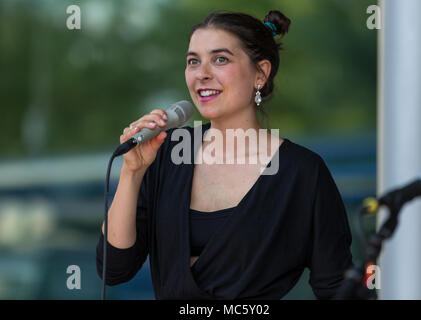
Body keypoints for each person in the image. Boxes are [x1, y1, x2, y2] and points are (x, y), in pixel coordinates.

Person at [96, 10, 353, 300]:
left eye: (220, 59)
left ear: (261, 73)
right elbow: (114, 269)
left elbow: (337, 289)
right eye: (193, 61)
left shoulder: (303, 173)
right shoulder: (165, 152)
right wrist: (132, 172)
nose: (202, 73)